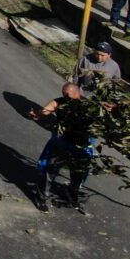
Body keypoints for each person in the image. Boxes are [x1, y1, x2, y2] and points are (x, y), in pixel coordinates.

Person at [28, 83, 95, 213]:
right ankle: (41, 197)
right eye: (64, 94)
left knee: (78, 174)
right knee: (50, 170)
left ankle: (72, 193)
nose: (65, 96)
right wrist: (37, 114)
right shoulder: (59, 102)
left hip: (81, 146)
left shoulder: (88, 106)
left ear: (77, 92)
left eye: (67, 94)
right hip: (61, 143)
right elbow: (46, 110)